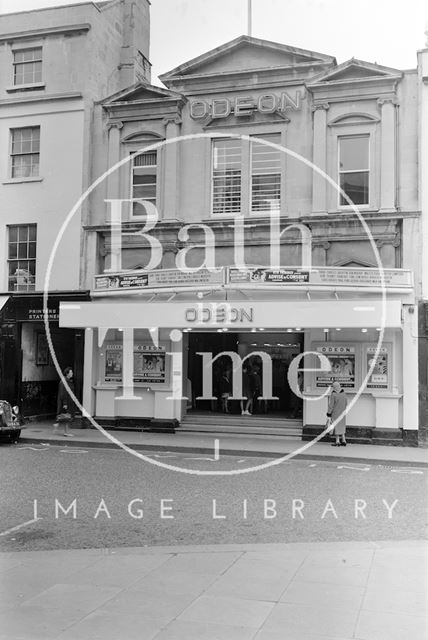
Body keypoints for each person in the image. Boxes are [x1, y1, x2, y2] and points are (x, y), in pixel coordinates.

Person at [53, 367, 75, 436]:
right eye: (71, 372)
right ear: (67, 373)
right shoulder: (64, 382)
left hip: (68, 401)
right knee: (66, 417)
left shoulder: (68, 381)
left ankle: (57, 425)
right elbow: (63, 393)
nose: (72, 373)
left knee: (65, 416)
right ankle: (66, 432)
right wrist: (65, 403)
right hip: (66, 402)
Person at [327, 381, 348, 446]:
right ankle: (344, 440)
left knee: (336, 426)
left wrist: (328, 413)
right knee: (342, 425)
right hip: (342, 413)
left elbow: (331, 405)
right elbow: (346, 403)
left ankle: (337, 441)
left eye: (333, 387)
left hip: (335, 413)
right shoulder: (344, 394)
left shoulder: (334, 395)